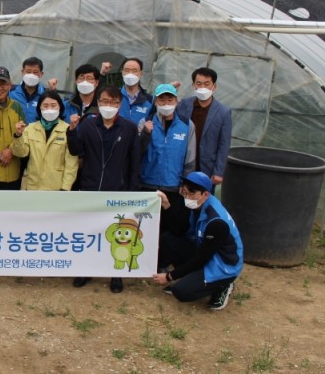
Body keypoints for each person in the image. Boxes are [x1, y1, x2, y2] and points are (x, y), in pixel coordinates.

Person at [67, 85, 141, 293]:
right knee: (90, 232)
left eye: (114, 102)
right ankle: (86, 270)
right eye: (105, 102)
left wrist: (133, 190)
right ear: (98, 103)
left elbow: (135, 161)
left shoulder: (128, 128)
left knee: (118, 234)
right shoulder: (88, 125)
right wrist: (72, 131)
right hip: (90, 187)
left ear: (120, 104)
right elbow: (75, 150)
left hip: (117, 190)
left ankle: (115, 275)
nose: (109, 106)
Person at [152, 171, 243, 310]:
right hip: (204, 251)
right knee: (167, 239)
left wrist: (169, 276)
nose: (187, 196)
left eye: (192, 193)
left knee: (181, 292)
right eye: (185, 191)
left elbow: (201, 258)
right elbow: (179, 230)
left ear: (205, 194)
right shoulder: (193, 204)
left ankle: (223, 285)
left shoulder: (216, 222)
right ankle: (194, 279)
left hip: (222, 265)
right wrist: (167, 206)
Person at [141, 83, 197, 234]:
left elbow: (190, 158)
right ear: (156, 102)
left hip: (173, 186)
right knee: (146, 228)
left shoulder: (187, 125)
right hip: (147, 184)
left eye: (170, 100)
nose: (166, 104)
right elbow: (137, 151)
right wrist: (145, 133)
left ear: (176, 102)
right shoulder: (146, 122)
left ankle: (166, 257)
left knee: (170, 227)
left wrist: (185, 182)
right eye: (162, 100)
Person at [176, 67, 232, 189]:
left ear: (214, 86)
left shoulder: (223, 112)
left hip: (206, 167)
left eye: (207, 84)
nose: (203, 87)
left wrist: (218, 172)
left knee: (202, 201)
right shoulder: (184, 105)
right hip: (182, 163)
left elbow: (224, 144)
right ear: (193, 85)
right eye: (199, 83)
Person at [12, 91, 78, 190]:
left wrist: (65, 187)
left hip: (55, 188)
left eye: (53, 105)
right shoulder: (30, 128)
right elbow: (21, 153)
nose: (49, 109)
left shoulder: (67, 130)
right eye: (45, 106)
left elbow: (71, 164)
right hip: (31, 186)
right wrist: (18, 136)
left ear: (60, 107)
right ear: (40, 108)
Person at [9, 57, 59, 124]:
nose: (31, 75)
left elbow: (57, 112)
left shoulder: (45, 95)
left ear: (41, 74)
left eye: (35, 72)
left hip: (37, 133)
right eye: (28, 72)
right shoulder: (11, 93)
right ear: (22, 72)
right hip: (15, 133)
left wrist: (53, 91)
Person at [117, 57, 153, 127]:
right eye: (127, 70)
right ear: (122, 73)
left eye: (134, 70)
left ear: (140, 73)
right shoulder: (114, 96)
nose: (130, 74)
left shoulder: (149, 100)